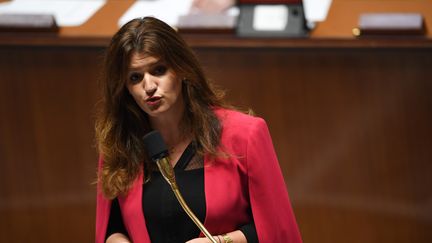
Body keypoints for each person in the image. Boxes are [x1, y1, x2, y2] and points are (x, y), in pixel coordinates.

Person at [95, 16, 302, 243]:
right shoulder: (120, 145)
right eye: (136, 77)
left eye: (159, 70)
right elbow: (112, 227)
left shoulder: (246, 135)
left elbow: (276, 229)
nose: (149, 86)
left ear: (182, 70)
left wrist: (222, 242)